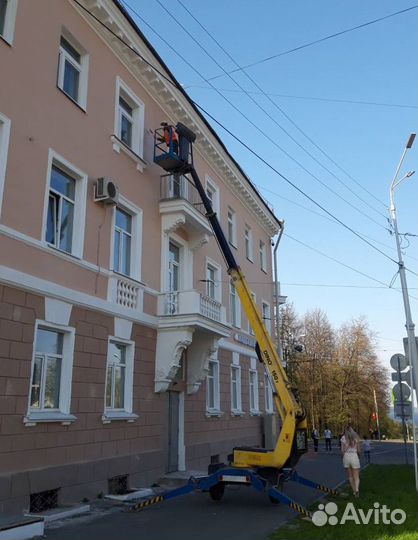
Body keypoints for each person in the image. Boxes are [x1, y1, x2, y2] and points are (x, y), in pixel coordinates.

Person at [341, 426, 361, 497]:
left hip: (346, 456)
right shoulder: (356, 438)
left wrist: (342, 457)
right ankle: (357, 489)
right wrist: (358, 456)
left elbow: (342, 451)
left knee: (350, 476)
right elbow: (358, 450)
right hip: (354, 456)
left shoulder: (343, 438)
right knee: (356, 476)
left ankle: (354, 491)